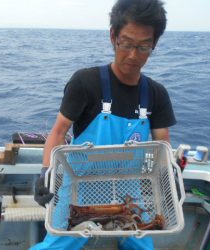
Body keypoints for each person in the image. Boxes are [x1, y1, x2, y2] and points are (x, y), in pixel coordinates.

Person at [31, 0, 176, 249]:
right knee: (58, 245)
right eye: (127, 43)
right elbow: (58, 131)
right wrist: (46, 172)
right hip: (79, 184)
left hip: (130, 189)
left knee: (142, 245)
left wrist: (170, 175)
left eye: (143, 47)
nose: (133, 55)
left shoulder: (156, 94)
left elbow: (162, 145)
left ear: (154, 44)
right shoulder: (85, 82)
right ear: (113, 36)